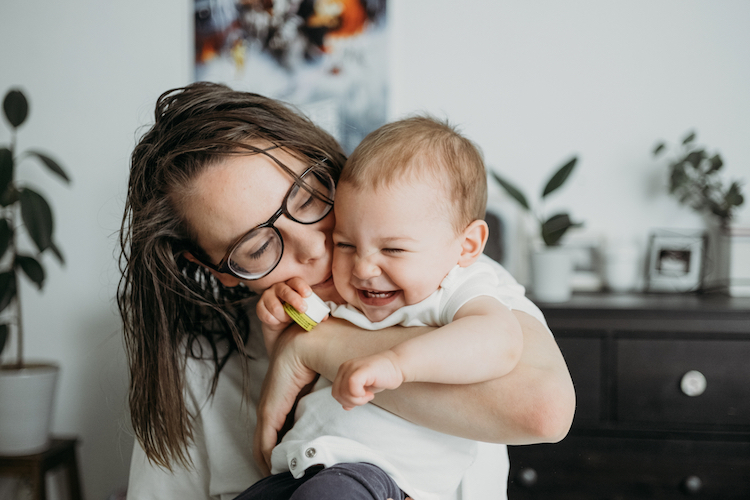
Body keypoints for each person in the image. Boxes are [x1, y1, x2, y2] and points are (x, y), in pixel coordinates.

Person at [118, 82, 575, 500]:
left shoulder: (446, 274)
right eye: (257, 248)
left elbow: (543, 408)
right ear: (220, 272)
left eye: (308, 198)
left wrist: (314, 347)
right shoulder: (194, 366)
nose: (317, 247)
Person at [243, 116, 528, 500]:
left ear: (467, 245)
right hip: (303, 468)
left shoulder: (455, 288)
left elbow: (500, 341)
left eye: (393, 249)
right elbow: (302, 377)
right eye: (345, 245)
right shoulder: (346, 297)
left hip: (382, 475)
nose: (362, 268)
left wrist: (396, 363)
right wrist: (282, 330)